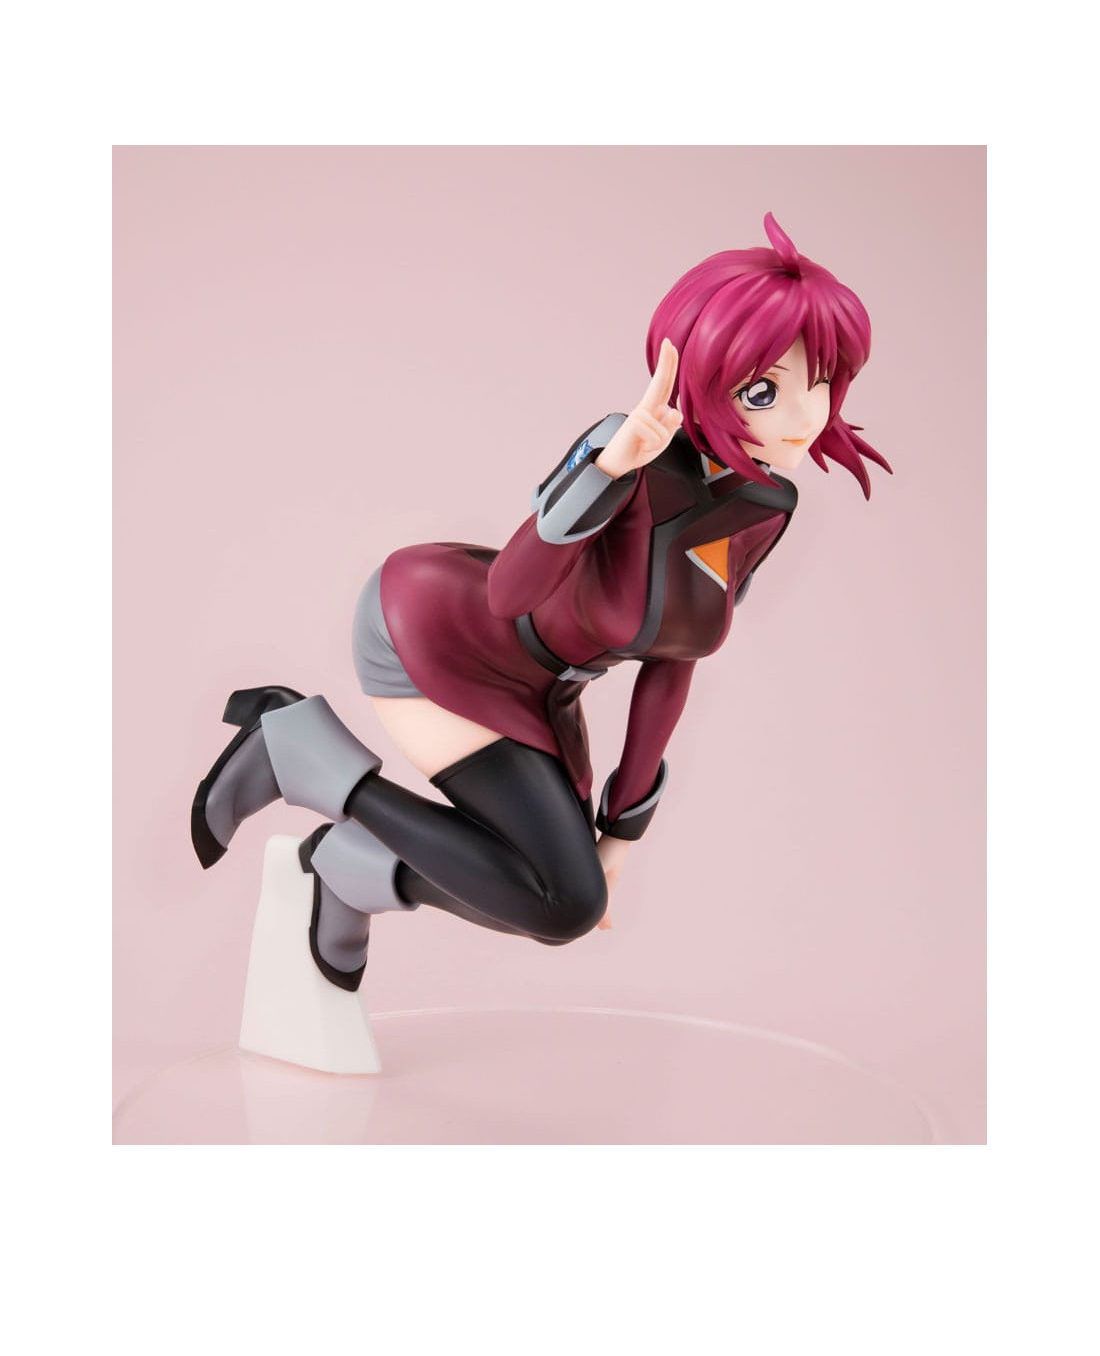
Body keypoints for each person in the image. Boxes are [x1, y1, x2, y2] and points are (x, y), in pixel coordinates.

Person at [191, 213, 890, 993]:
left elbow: (674, 664)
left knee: (551, 896)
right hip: (444, 635)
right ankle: (299, 754)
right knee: (564, 901)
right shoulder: (629, 451)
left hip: (547, 692)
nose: (804, 418)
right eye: (766, 391)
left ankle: (358, 868)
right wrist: (610, 470)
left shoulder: (766, 507)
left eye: (822, 383)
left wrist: (623, 831)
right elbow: (510, 590)